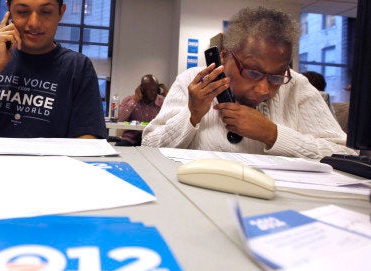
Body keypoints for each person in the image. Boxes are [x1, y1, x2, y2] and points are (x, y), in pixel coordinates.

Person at [142, 6, 356, 159]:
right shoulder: (192, 81)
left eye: (276, 77)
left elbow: (346, 155)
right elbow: (149, 146)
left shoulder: (297, 87)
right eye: (252, 72)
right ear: (224, 57)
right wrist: (192, 115)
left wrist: (272, 134)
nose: (264, 89)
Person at [0, 0, 106, 139]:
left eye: (45, 12)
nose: (33, 23)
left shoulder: (78, 66)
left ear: (60, 12)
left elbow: (88, 138)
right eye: (23, 12)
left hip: (50, 172)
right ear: (9, 11)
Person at [115, 74, 165, 146]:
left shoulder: (163, 102)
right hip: (131, 138)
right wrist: (135, 100)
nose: (153, 93)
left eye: (155, 90)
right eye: (150, 90)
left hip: (152, 139)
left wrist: (168, 95)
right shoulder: (129, 100)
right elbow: (120, 119)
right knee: (120, 148)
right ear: (142, 89)